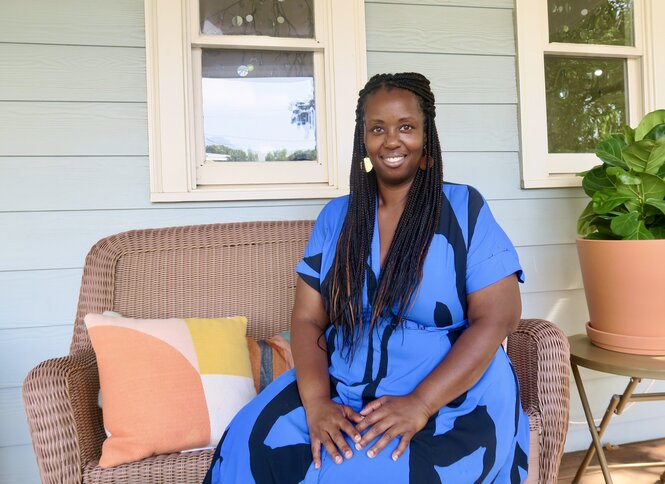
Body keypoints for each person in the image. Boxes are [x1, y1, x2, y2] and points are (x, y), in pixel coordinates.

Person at [204, 72, 530, 483]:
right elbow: (307, 319)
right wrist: (318, 401)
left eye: (406, 127)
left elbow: (499, 317)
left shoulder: (464, 208)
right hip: (346, 381)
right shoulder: (336, 217)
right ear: (364, 140)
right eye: (378, 128)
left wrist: (420, 404)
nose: (391, 141)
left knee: (365, 470)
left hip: (451, 393)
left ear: (426, 137)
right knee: (248, 442)